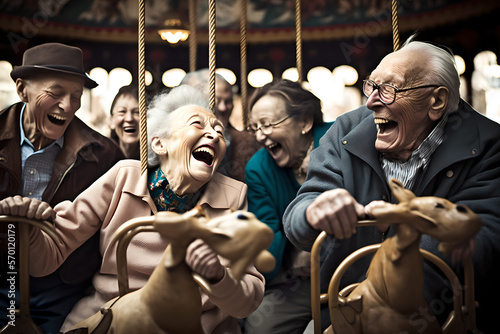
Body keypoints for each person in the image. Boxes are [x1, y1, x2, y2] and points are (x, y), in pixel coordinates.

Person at [0, 85, 265, 334]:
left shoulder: (232, 194)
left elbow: (247, 300)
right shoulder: (123, 176)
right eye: (197, 124)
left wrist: (218, 277)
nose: (214, 134)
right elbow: (47, 257)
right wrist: (28, 226)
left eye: (219, 131)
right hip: (114, 317)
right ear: (160, 144)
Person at [283, 36, 500, 333]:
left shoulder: (489, 145)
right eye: (371, 85)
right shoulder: (345, 131)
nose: (371, 101)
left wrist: (397, 237)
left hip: (442, 317)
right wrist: (313, 212)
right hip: (344, 311)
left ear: (436, 101)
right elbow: (297, 218)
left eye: (389, 90)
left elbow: (485, 239)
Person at [0, 42, 124, 333]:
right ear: (21, 90)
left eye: (76, 97)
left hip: (63, 286)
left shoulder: (104, 154)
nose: (67, 106)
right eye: (55, 93)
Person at [243, 79, 332, 334]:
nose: (260, 135)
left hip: (354, 269)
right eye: (255, 127)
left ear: (304, 122)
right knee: (261, 326)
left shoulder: (338, 140)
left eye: (268, 124)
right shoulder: (258, 168)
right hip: (298, 280)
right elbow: (266, 232)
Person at [180, 69, 259, 182]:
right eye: (216, 101)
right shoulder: (177, 140)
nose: (223, 107)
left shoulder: (247, 141)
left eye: (228, 101)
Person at [109, 84, 140, 159]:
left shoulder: (156, 163)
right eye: (122, 111)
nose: (129, 119)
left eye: (136, 112)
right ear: (111, 121)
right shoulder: (101, 160)